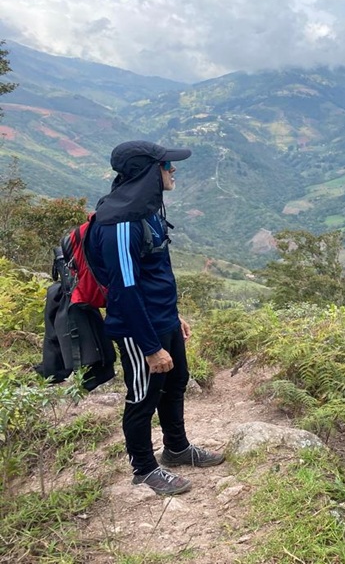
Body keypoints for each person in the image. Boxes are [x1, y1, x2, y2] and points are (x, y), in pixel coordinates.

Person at [88, 140, 224, 496]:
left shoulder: (146, 209)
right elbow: (125, 291)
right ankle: (144, 468)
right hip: (137, 329)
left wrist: (174, 316)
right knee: (143, 396)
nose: (173, 170)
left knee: (177, 379)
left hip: (162, 319)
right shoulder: (120, 224)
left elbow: (156, 273)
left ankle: (176, 449)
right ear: (149, 172)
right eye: (167, 165)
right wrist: (149, 347)